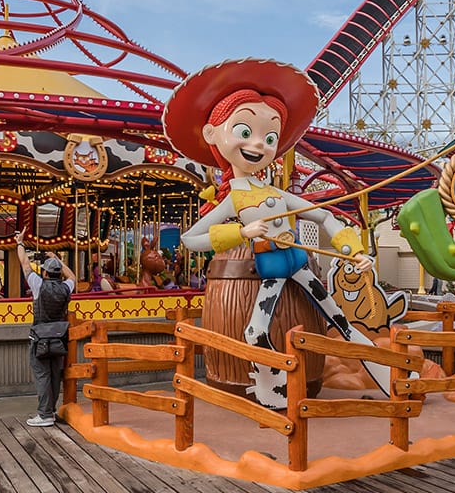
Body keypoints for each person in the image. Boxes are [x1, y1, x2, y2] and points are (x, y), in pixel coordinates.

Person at [163, 58, 388, 409]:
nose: (260, 144)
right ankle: (270, 388)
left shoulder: (278, 194)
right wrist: (242, 231)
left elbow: (326, 218)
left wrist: (352, 251)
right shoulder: (235, 198)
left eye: (270, 137)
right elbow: (190, 239)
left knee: (340, 320)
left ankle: (385, 372)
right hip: (272, 271)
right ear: (212, 135)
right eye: (244, 131)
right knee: (256, 330)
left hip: (297, 264)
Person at [16, 230, 75, 427]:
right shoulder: (66, 287)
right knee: (55, 375)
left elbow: (25, 264)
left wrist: (20, 243)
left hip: (40, 337)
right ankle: (50, 410)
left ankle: (44, 414)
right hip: (59, 336)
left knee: (42, 375)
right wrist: (57, 259)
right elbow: (73, 276)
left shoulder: (38, 284)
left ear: (45, 272)